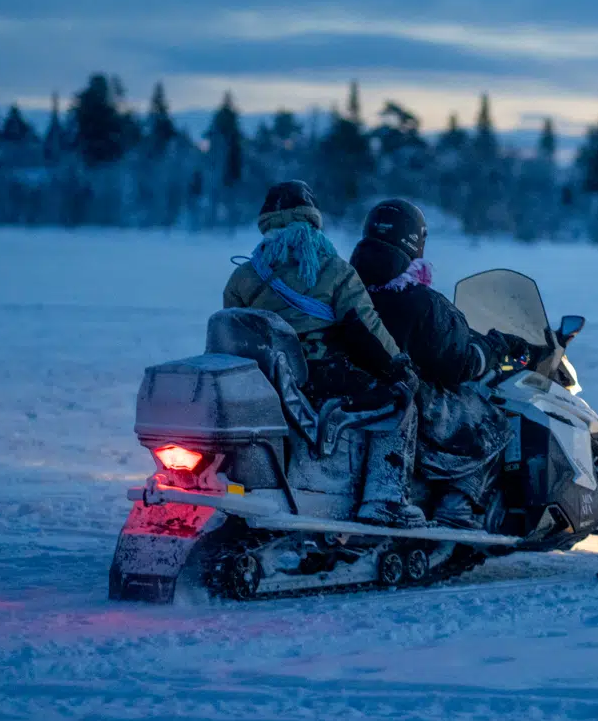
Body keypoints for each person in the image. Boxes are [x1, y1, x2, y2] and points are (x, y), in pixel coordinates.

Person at [223, 181, 426, 527]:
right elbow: (366, 328)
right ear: (313, 219)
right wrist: (400, 369)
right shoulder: (331, 268)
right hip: (322, 377)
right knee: (400, 404)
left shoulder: (242, 277)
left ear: (266, 222)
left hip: (265, 383)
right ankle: (385, 499)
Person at [350, 199, 524, 529]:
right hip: (410, 404)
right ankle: (458, 504)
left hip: (362, 397)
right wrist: (496, 347)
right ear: (413, 241)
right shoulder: (417, 299)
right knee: (492, 422)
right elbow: (461, 364)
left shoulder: (348, 289)